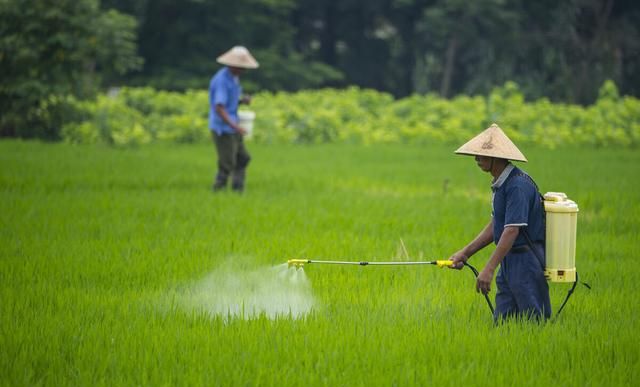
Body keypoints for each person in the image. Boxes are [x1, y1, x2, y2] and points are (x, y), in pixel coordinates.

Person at [448, 123, 551, 322]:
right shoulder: (502, 184)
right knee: (503, 323)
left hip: (526, 261)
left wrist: (488, 268)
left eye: (482, 155)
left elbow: (511, 230)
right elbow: (498, 224)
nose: (476, 159)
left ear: (498, 157)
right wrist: (465, 253)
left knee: (533, 324)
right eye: (475, 154)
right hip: (509, 259)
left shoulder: (517, 186)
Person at [209, 46, 259, 193]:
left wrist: (242, 101)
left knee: (243, 158)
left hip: (232, 125)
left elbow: (228, 103)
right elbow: (219, 107)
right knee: (227, 163)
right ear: (233, 65)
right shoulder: (222, 81)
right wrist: (235, 126)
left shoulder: (233, 78)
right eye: (241, 67)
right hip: (223, 128)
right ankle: (218, 191)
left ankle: (238, 190)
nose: (244, 70)